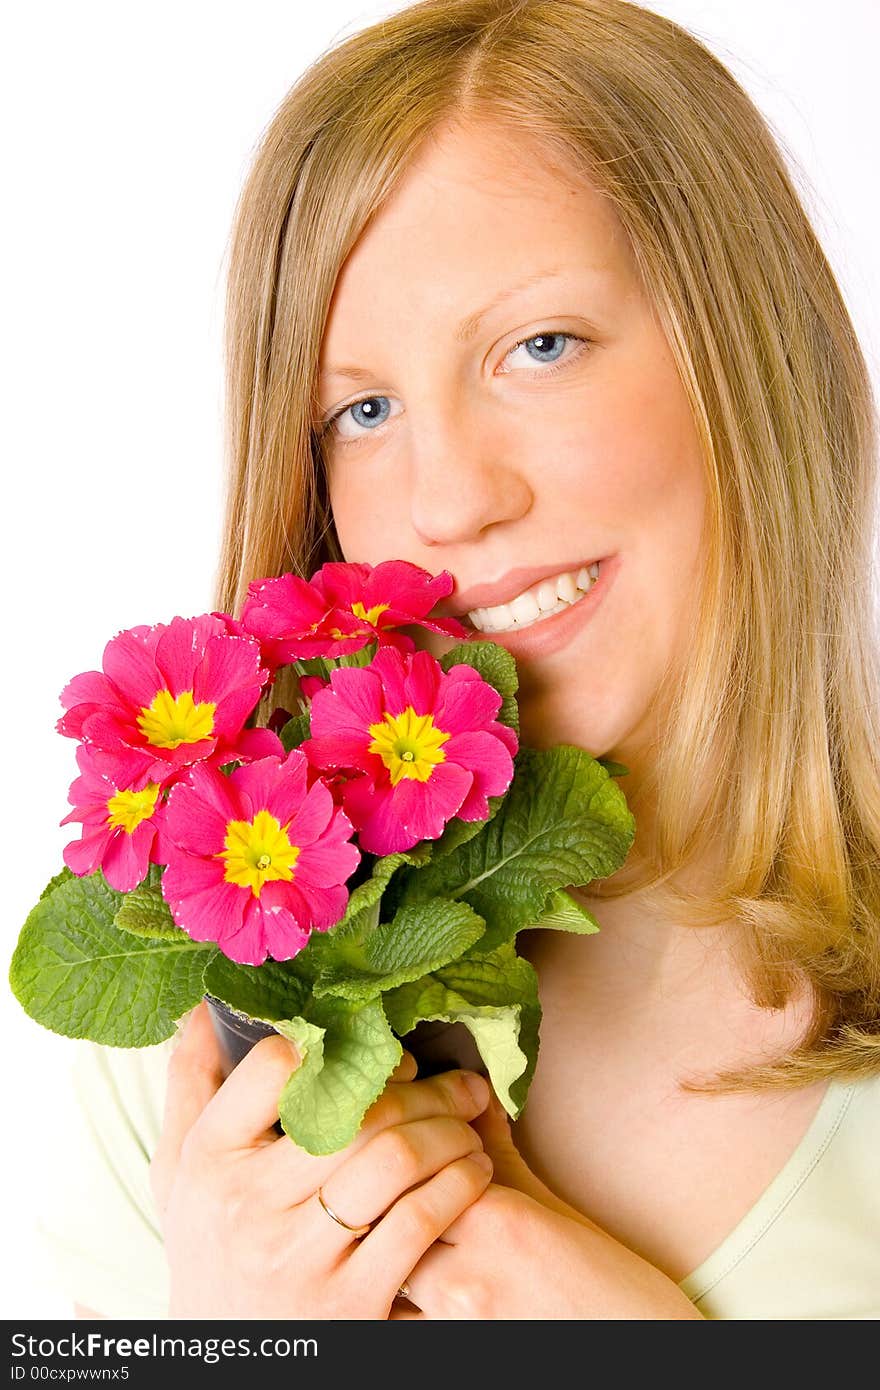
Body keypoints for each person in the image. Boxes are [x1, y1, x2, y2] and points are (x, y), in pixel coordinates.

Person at [40, 0, 880, 1320]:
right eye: (361, 410)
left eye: (537, 348)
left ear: (754, 359)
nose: (448, 500)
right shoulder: (189, 1059)